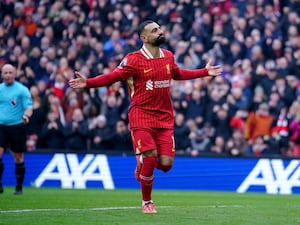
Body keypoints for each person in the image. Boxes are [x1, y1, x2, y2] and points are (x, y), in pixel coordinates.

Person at [69, 20, 222, 213]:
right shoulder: (133, 60)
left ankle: (142, 164)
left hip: (165, 118)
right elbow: (112, 77)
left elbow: (178, 73)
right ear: (144, 38)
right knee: (150, 158)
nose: (160, 32)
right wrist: (88, 83)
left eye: (159, 28)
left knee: (165, 165)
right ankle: (147, 202)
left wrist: (204, 72)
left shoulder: (168, 56)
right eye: (154, 30)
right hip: (141, 116)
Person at [0, 64, 33, 194]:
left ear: (15, 74)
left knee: (18, 157)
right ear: (2, 74)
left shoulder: (22, 90)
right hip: (1, 126)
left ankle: (19, 187)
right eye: (5, 73)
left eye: (10, 72)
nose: (8, 75)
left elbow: (29, 107)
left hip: (17, 126)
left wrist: (26, 115)